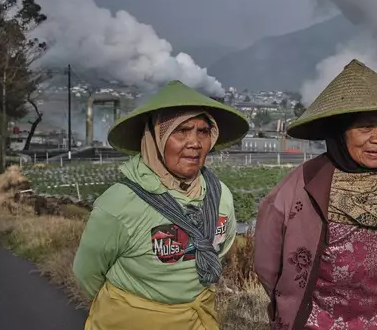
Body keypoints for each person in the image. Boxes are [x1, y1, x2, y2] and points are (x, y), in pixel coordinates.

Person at [254, 59, 377, 330]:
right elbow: (267, 266)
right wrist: (292, 301)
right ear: (339, 132)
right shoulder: (303, 185)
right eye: (365, 127)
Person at [72, 80, 250, 330]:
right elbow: (86, 273)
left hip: (198, 319)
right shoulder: (120, 203)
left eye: (202, 131)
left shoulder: (220, 197)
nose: (194, 143)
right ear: (155, 139)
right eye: (181, 131)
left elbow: (217, 250)